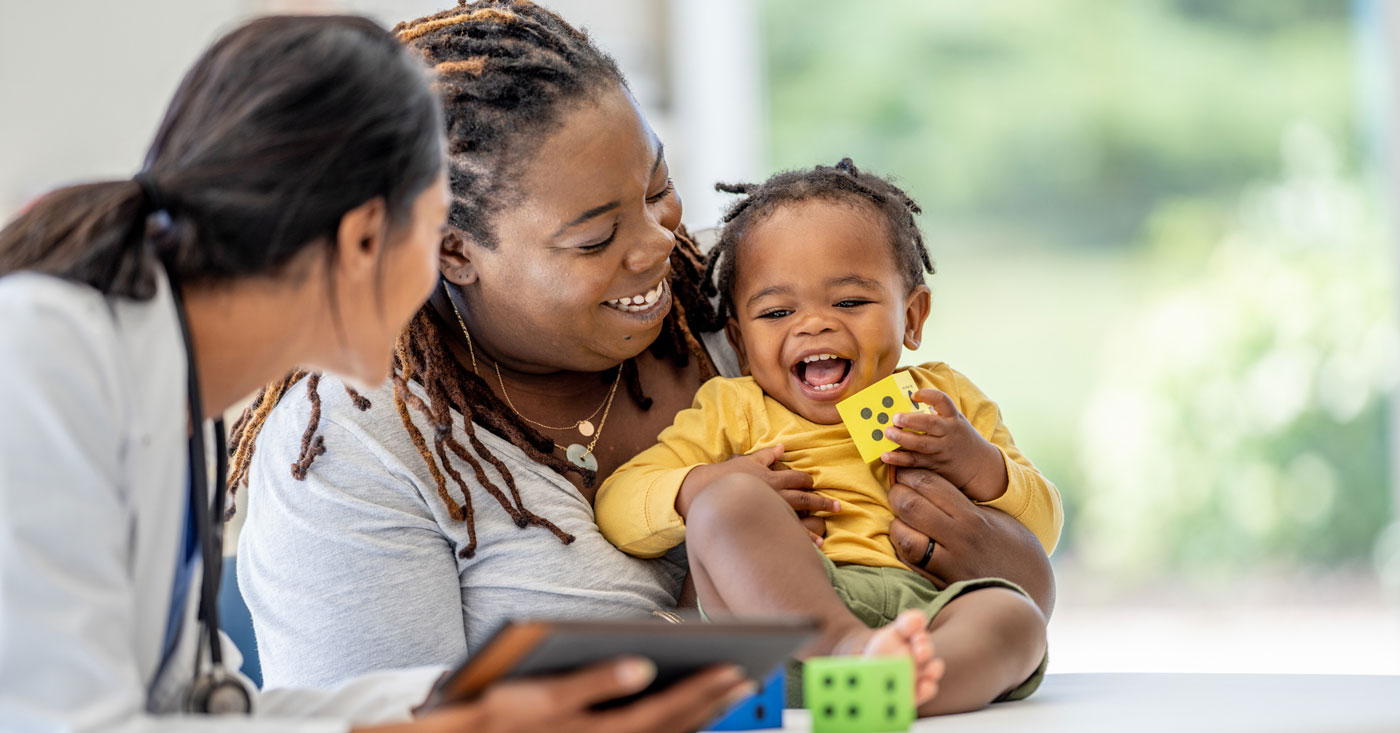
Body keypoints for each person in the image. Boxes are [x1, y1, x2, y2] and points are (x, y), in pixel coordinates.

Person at [231, 0, 1058, 701]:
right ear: (453, 253)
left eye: (659, 187)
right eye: (595, 237)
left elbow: (1022, 570)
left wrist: (989, 541)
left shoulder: (750, 308)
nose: (657, 244)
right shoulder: (355, 449)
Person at [0, 14, 748, 733]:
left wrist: (477, 705)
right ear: (364, 240)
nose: (439, 284)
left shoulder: (172, 400)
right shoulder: (45, 362)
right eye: (434, 237)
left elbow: (204, 710)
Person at [595, 158, 1057, 715]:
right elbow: (618, 507)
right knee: (727, 503)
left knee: (1015, 617)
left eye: (849, 302)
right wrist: (703, 487)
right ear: (740, 344)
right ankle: (851, 653)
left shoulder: (942, 399)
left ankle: (899, 688)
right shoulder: (735, 407)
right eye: (778, 310)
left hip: (929, 619)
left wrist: (975, 463)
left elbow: (1043, 527)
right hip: (783, 626)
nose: (812, 324)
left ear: (911, 317)